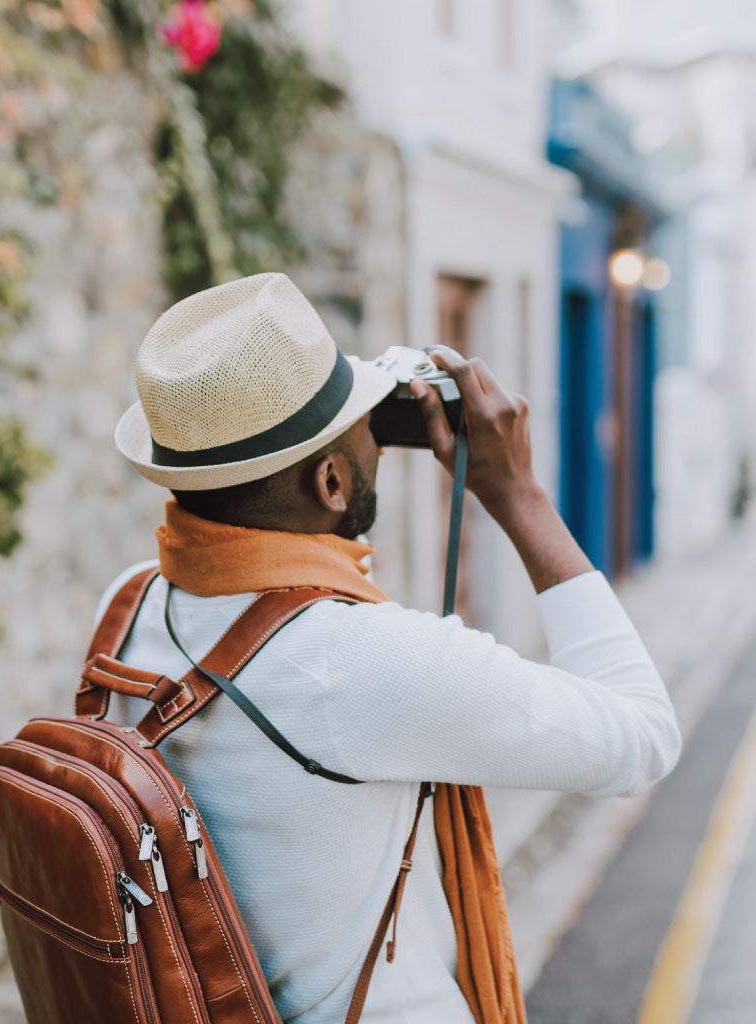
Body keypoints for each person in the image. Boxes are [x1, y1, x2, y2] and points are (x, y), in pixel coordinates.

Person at [97, 272, 681, 1024]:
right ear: (332, 482)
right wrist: (519, 497)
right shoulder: (365, 660)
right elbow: (643, 736)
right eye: (364, 427)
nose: (378, 439)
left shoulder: (131, 604)